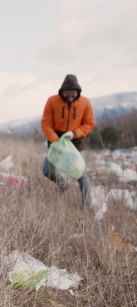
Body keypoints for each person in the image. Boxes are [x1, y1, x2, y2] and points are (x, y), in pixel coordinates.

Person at [41, 74, 95, 210]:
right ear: (62, 92)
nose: (70, 97)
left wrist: (75, 133)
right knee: (47, 170)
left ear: (78, 92)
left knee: (81, 174)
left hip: (76, 141)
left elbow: (89, 123)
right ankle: (63, 184)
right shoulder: (52, 101)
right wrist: (56, 141)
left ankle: (87, 205)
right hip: (57, 141)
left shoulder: (85, 102)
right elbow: (46, 123)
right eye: (67, 95)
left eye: (73, 95)